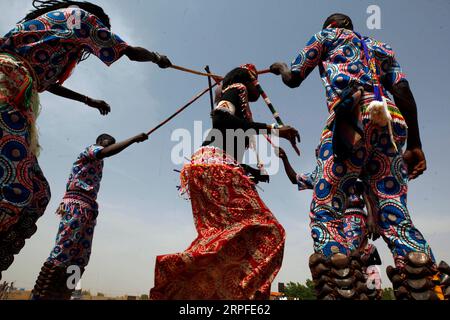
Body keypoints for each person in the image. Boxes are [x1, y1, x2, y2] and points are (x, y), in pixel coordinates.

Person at [270, 13, 449, 300]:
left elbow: (293, 78)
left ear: (331, 26)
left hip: (349, 123)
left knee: (327, 210)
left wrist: (279, 67)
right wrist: (415, 143)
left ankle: (342, 283)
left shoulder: (325, 37)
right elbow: (402, 89)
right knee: (395, 214)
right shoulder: (381, 46)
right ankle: (426, 280)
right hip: (391, 122)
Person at [0, 0, 171, 278]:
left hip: (16, 88)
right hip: (7, 85)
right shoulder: (80, 18)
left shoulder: (47, 38)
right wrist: (155, 57)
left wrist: (88, 100)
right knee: (15, 187)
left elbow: (50, 83)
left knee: (36, 193)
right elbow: (125, 50)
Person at [150, 64, 300, 300]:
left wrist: (252, 171)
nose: (257, 89)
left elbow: (227, 137)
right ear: (247, 79)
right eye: (255, 82)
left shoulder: (238, 101)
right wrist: (273, 128)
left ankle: (190, 290)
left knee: (224, 237)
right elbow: (221, 120)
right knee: (270, 231)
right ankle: (229, 290)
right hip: (215, 167)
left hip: (209, 167)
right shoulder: (237, 89)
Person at [31, 132, 149, 300]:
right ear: (100, 141)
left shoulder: (98, 161)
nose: (109, 145)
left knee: (80, 258)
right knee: (64, 249)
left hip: (88, 208)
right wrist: (133, 139)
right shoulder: (91, 150)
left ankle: (63, 295)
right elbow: (105, 151)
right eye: (108, 142)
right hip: (76, 205)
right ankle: (41, 296)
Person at [277, 146, 383, 300]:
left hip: (355, 218)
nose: (317, 151)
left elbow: (367, 195)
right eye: (317, 150)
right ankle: (354, 291)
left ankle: (371, 290)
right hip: (332, 220)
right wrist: (285, 159)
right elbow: (295, 178)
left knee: (354, 258)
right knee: (339, 260)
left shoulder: (349, 168)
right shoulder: (319, 175)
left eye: (321, 149)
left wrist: (372, 218)